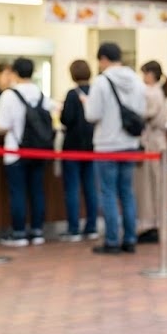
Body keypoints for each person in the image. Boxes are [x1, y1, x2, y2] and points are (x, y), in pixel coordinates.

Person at [85, 43, 147, 255]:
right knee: (127, 192)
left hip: (106, 145)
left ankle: (112, 240)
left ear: (103, 59)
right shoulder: (137, 82)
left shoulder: (101, 82)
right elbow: (141, 110)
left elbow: (92, 115)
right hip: (129, 143)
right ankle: (130, 238)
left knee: (108, 193)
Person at [0, 57, 55, 247]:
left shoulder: (9, 95)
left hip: (16, 151)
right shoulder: (41, 94)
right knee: (37, 190)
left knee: (18, 192)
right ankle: (37, 231)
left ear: (14, 73)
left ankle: (19, 232)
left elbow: (2, 124)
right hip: (38, 151)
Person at [58, 60, 98, 242]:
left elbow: (66, 119)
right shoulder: (96, 91)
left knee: (72, 188)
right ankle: (92, 226)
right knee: (90, 187)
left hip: (72, 146)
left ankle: (73, 228)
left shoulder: (72, 94)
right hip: (92, 146)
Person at [137, 60, 167, 244]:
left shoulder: (150, 93)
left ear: (150, 74)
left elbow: (145, 114)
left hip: (151, 144)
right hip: (158, 144)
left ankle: (150, 224)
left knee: (149, 188)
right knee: (157, 186)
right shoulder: (161, 92)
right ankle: (156, 222)